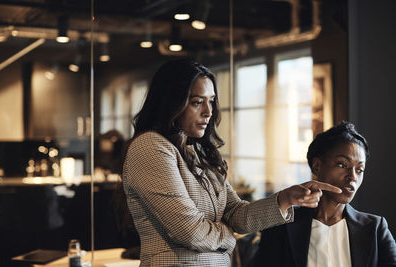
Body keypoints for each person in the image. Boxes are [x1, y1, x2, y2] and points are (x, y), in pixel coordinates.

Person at [121, 59, 341, 266]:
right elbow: (189, 232)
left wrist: (286, 198)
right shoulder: (150, 147)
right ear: (171, 102)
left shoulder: (197, 154)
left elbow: (237, 214)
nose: (208, 112)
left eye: (211, 102)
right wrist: (230, 235)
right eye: (197, 102)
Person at [251, 121, 396, 267]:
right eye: (342, 165)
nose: (352, 177)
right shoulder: (282, 226)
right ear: (316, 166)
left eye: (359, 169)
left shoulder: (375, 229)